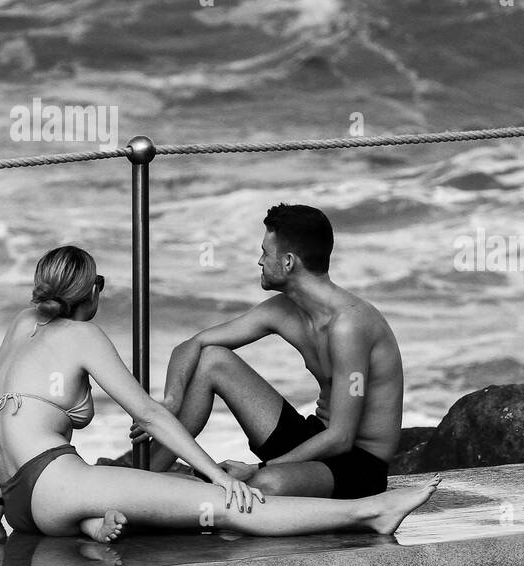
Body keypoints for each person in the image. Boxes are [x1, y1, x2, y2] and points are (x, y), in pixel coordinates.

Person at [0, 245, 438, 541]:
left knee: (147, 494)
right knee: (227, 509)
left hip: (19, 504)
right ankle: (371, 512)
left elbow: (0, 420)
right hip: (55, 487)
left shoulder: (21, 324)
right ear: (88, 293)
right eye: (99, 286)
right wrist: (219, 477)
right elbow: (147, 414)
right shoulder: (81, 335)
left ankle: (97, 521)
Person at [109, 204, 403, 501]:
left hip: (358, 461)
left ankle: (192, 489)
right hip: (314, 438)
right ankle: (142, 482)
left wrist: (257, 468)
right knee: (212, 359)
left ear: (288, 262)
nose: (259, 261)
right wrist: (171, 402)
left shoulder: (349, 326)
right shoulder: (284, 310)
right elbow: (192, 345)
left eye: (265, 252)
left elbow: (341, 437)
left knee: (266, 485)